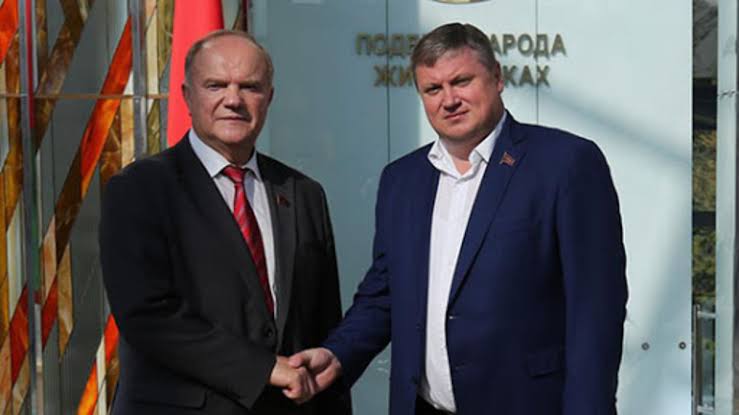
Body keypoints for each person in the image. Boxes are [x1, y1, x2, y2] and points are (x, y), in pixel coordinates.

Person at [289, 22, 628, 415]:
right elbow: (385, 295)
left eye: (461, 81)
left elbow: (595, 311)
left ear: (497, 78)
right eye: (433, 89)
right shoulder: (402, 180)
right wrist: (337, 354)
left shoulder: (565, 164)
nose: (449, 100)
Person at [100, 30, 350, 415]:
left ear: (269, 97)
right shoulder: (140, 189)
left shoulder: (303, 194)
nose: (233, 100)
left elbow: (323, 324)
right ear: (187, 96)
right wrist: (262, 369)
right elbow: (146, 315)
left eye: (250, 86)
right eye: (216, 85)